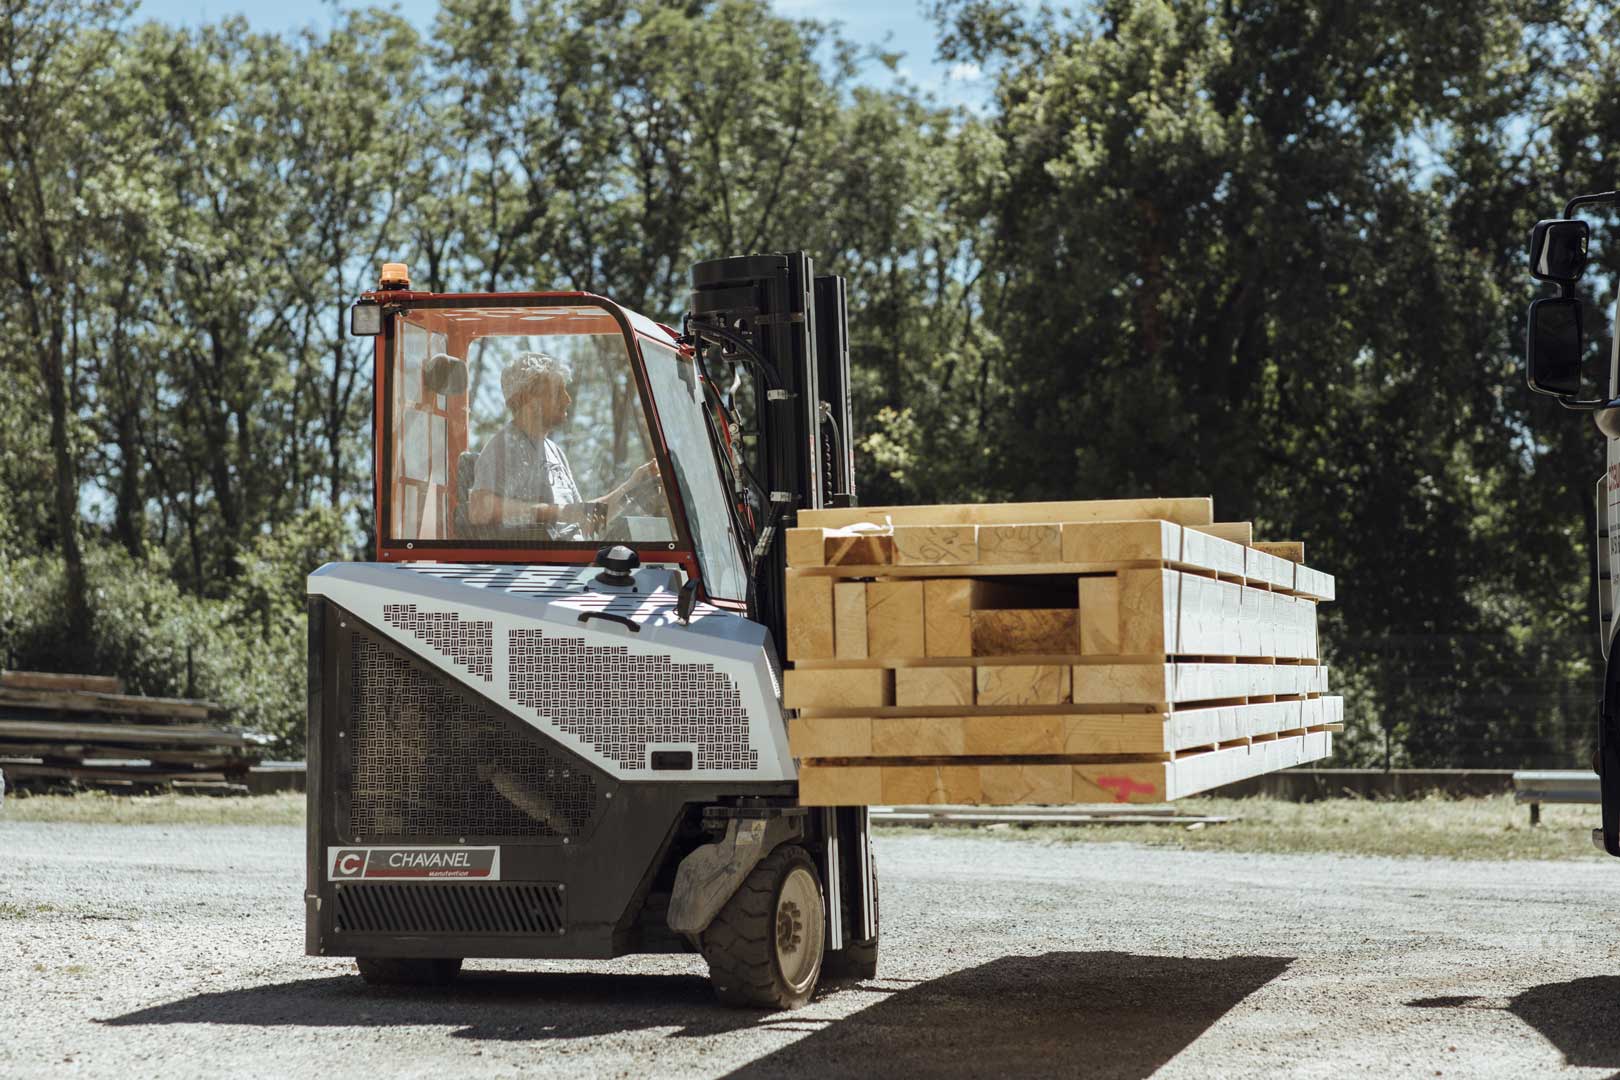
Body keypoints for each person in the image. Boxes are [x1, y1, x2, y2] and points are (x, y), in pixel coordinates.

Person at [468, 350, 658, 538]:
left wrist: (632, 486)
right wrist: (556, 512)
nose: (568, 399)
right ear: (529, 398)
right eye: (558, 391)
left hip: (573, 561)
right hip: (539, 565)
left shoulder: (554, 452)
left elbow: (585, 519)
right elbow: (479, 509)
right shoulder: (502, 447)